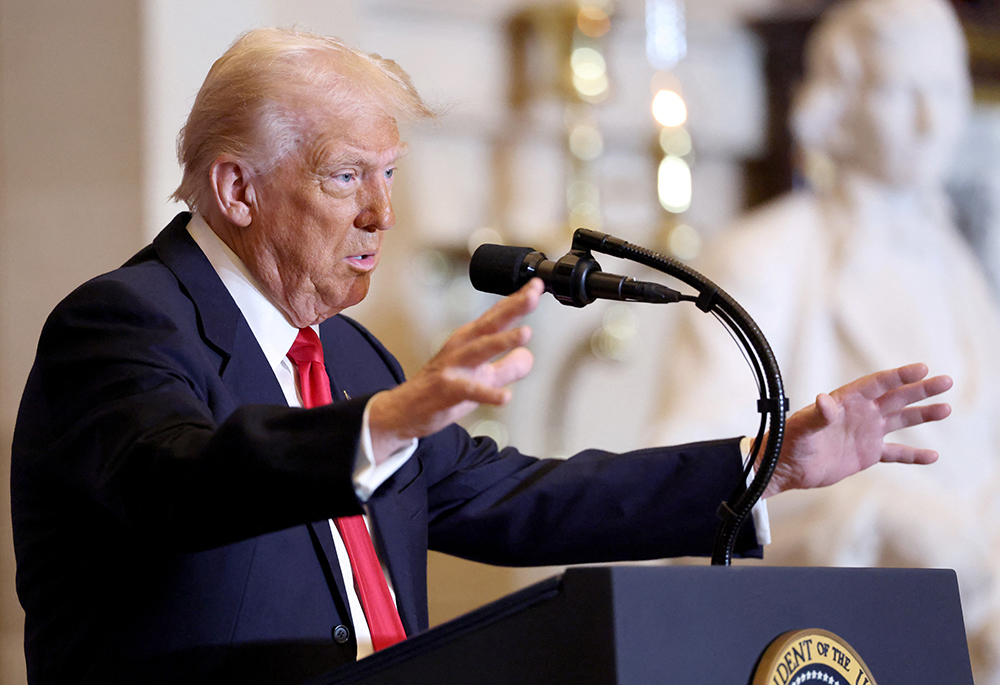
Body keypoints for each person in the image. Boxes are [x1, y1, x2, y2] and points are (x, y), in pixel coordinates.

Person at [10, 27, 951, 685]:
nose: (382, 214)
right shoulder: (123, 325)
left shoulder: (351, 356)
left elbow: (518, 500)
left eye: (390, 175)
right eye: (346, 177)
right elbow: (178, 479)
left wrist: (767, 465)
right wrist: (384, 423)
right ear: (237, 189)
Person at [653, 0, 1000, 680]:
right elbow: (682, 491)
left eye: (948, 90)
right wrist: (858, 512)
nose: (934, 123)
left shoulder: (958, 267)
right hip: (837, 644)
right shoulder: (768, 256)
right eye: (905, 92)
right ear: (841, 99)